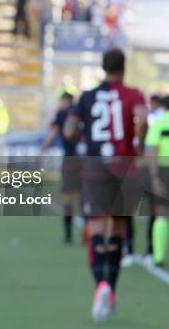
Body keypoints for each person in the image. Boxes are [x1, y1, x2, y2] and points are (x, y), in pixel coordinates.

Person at [64, 48, 147, 323]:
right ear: (123, 68)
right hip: (124, 168)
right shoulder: (133, 94)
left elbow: (69, 130)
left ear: (102, 67)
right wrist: (139, 144)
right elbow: (142, 119)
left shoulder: (87, 97)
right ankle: (111, 288)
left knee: (96, 228)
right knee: (119, 230)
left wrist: (79, 134)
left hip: (95, 169)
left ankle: (100, 284)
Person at [41, 92, 80, 244]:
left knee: (67, 197)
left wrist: (43, 149)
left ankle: (68, 235)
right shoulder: (82, 112)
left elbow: (53, 135)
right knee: (87, 197)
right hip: (89, 159)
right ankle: (91, 233)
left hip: (71, 160)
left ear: (64, 101)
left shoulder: (63, 114)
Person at [145, 95, 169, 268]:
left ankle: (159, 256)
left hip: (163, 171)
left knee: (161, 215)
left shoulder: (160, 123)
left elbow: (151, 150)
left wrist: (153, 177)